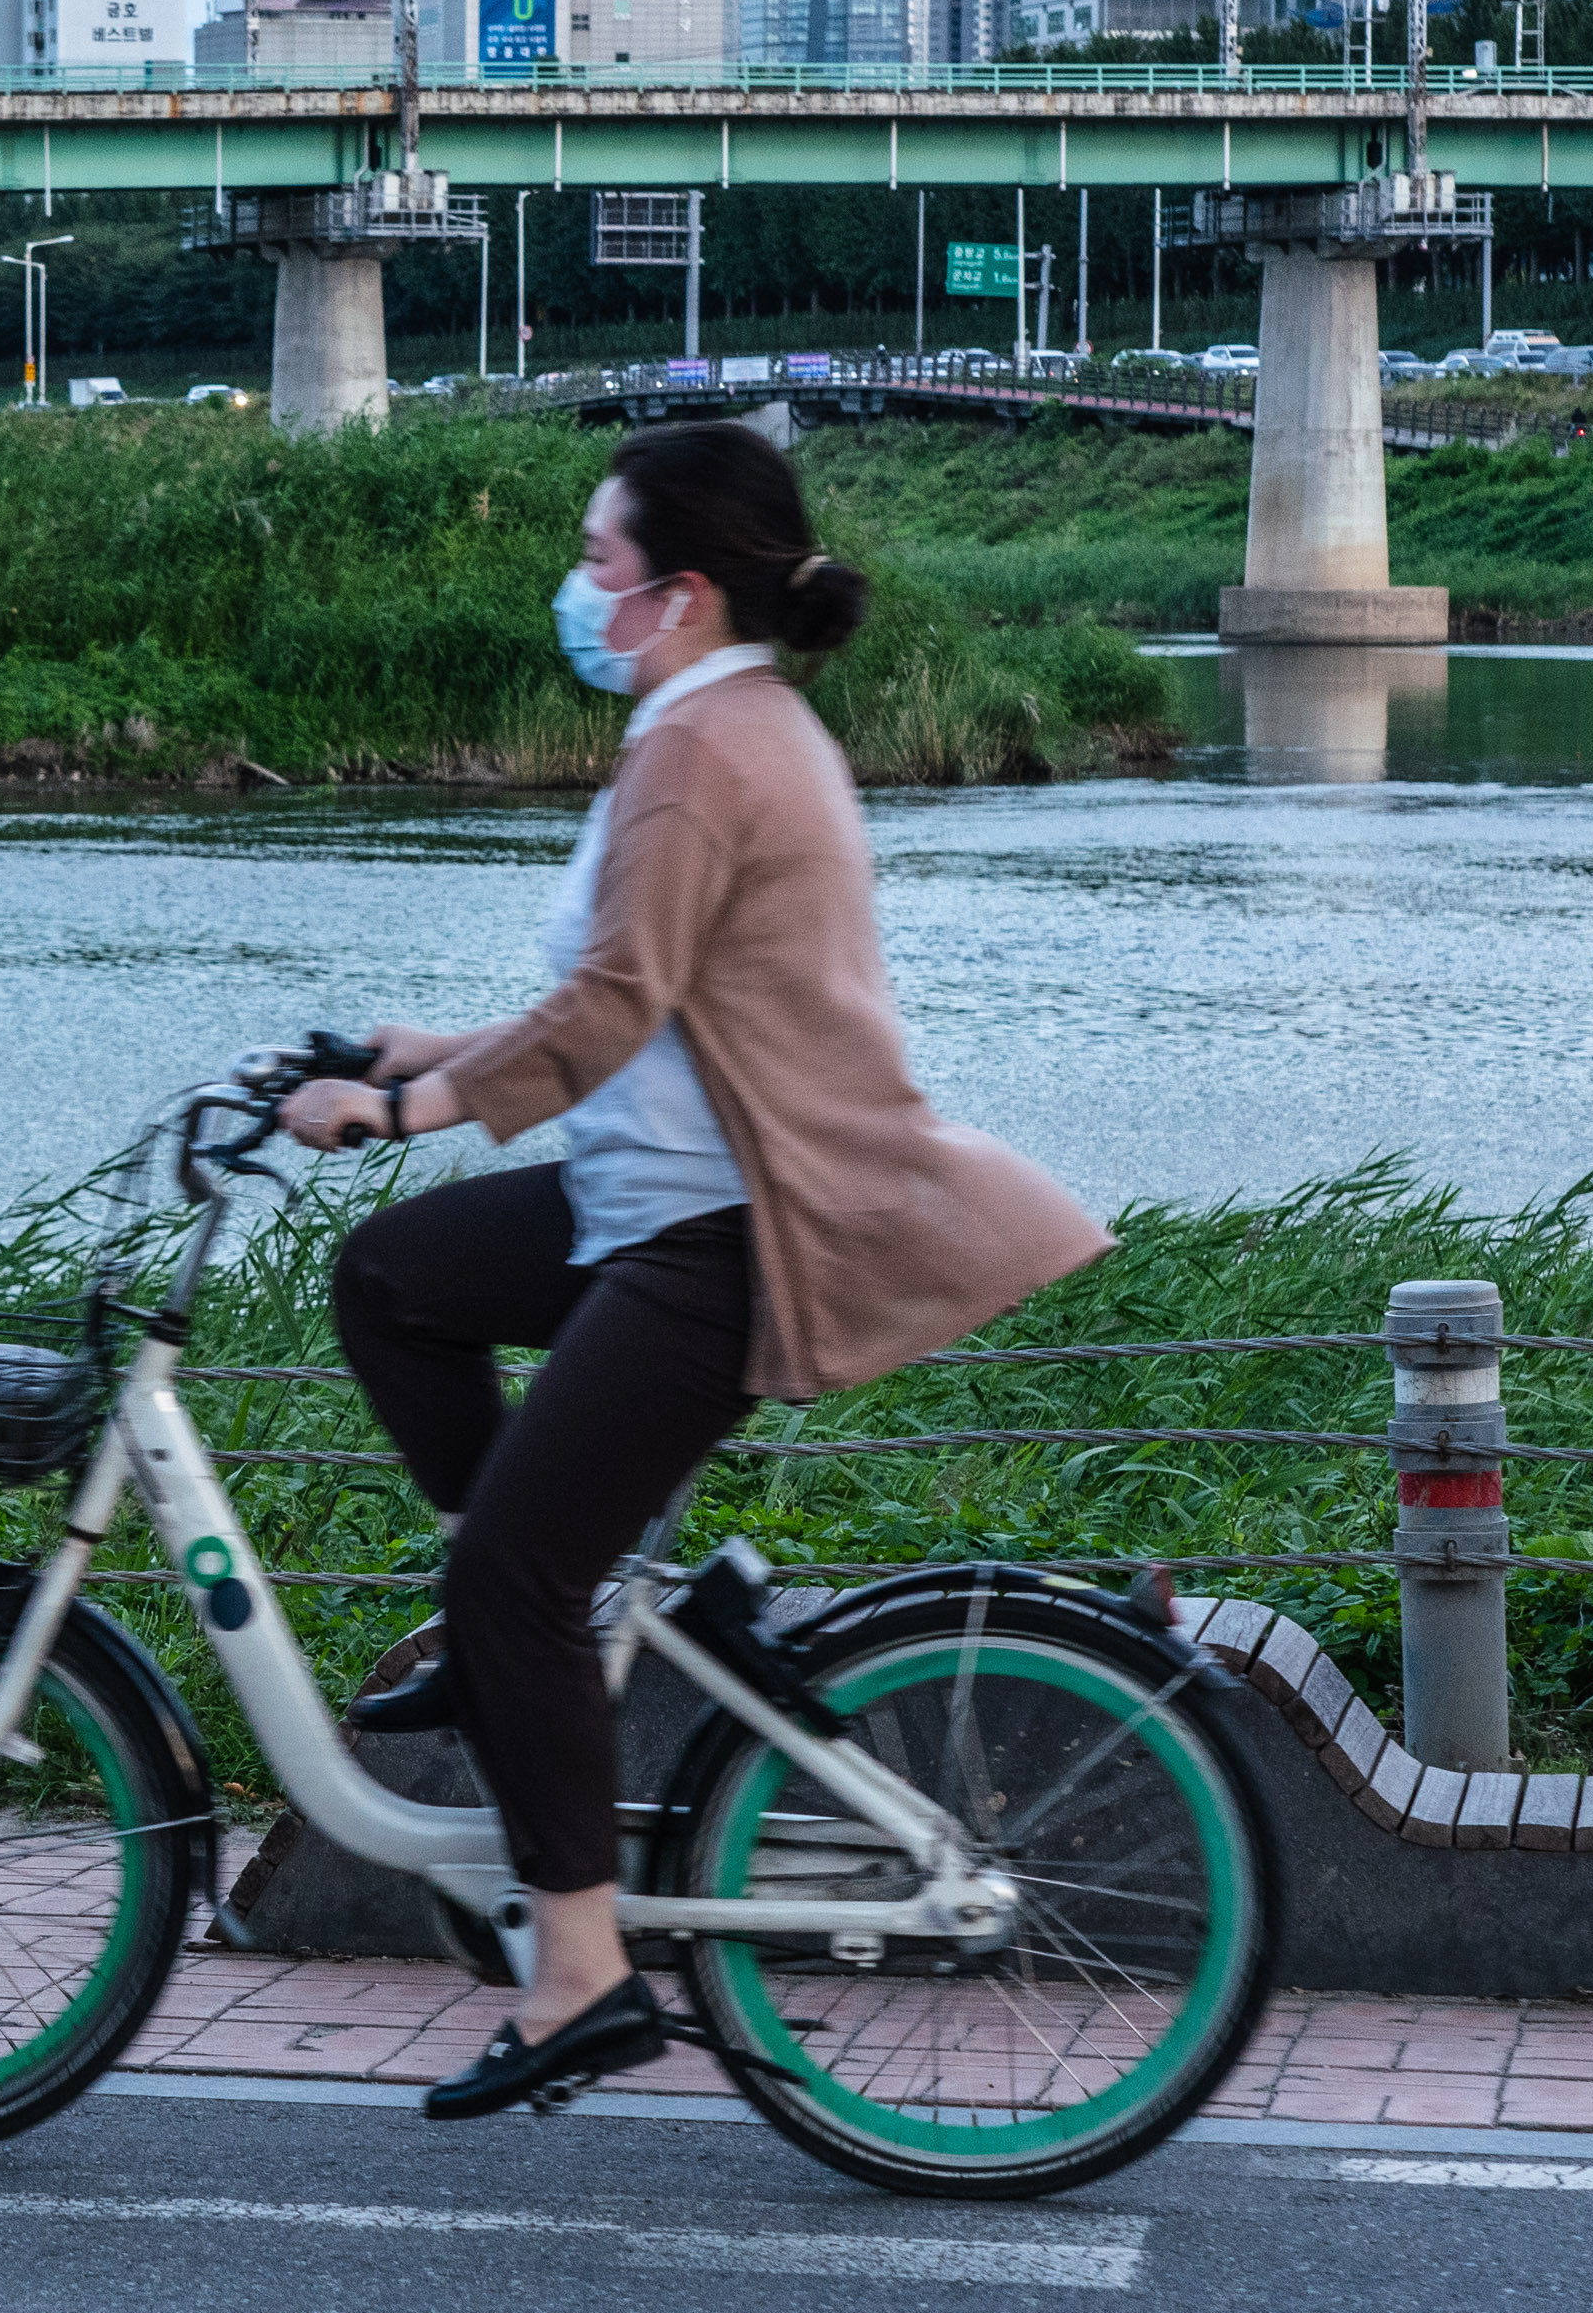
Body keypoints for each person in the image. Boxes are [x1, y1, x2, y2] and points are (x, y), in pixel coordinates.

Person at [272, 419, 1108, 2122]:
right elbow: (631, 999)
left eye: (597, 564)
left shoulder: (706, 750)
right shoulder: (717, 724)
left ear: (683, 592)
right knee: (395, 1285)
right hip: (637, 1198)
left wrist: (406, 1102)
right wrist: (411, 1042)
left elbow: (609, 1015)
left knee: (506, 1571)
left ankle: (577, 1975)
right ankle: (559, 1631)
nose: (577, 592)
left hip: (725, 1238)